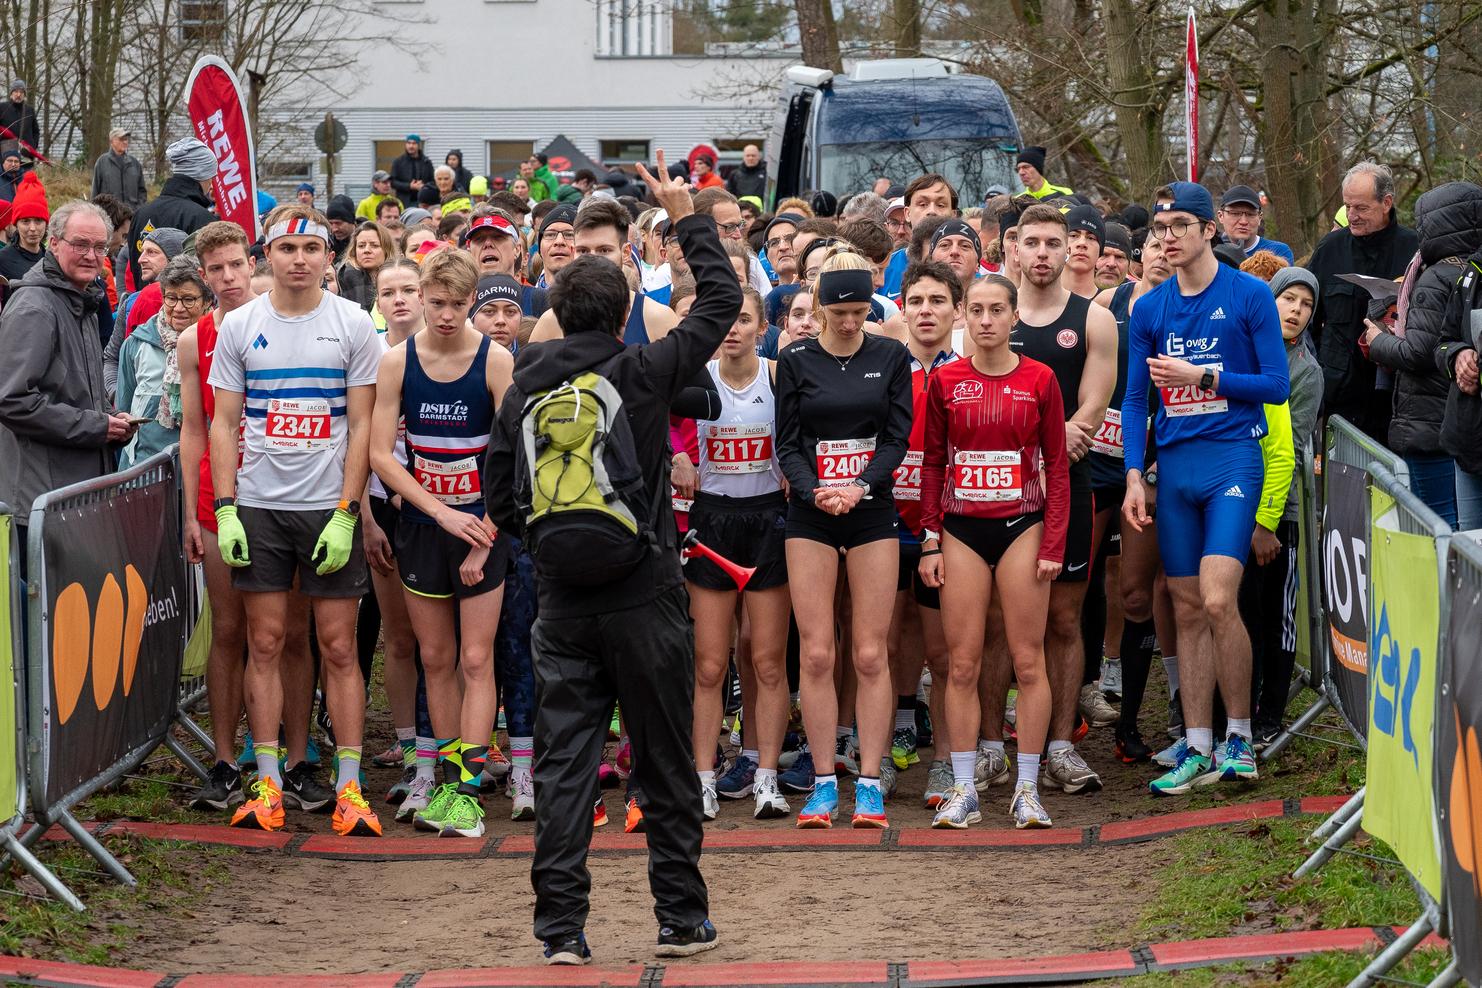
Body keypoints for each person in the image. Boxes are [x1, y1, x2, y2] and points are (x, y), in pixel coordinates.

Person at [482, 153, 736, 964]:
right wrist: (686, 215)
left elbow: (497, 493)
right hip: (646, 589)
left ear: (551, 310)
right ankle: (680, 920)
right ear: (626, 310)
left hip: (559, 601)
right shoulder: (642, 367)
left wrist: (545, 549)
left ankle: (560, 930)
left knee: (564, 767)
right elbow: (724, 301)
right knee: (662, 760)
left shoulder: (522, 385)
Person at [208, 205, 385, 837]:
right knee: (265, 641)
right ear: (267, 255)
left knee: (337, 645)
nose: (300, 258)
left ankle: (350, 786)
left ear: (328, 256)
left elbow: (364, 424)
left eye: (311, 247)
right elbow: (225, 422)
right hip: (258, 505)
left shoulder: (354, 324)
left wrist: (347, 512)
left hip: (325, 507)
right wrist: (226, 507)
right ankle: (267, 783)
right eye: (287, 247)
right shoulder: (240, 326)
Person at [1122, 181, 1290, 795]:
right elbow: (1136, 397)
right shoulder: (1149, 308)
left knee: (1220, 599)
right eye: (1160, 230)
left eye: (1180, 228)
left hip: (1232, 461)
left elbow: (1275, 385)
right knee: (1186, 607)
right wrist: (1135, 476)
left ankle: (1239, 739)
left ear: (1208, 230)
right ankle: (1197, 745)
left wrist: (1203, 375)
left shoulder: (1249, 294)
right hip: (1175, 468)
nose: (1167, 239)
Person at [180, 220, 324, 813]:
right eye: (215, 269)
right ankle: (223, 759)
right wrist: (193, 511)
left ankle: (296, 760)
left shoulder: (281, 322)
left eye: (236, 264)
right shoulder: (197, 338)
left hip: (284, 498)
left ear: (253, 263)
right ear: (204, 275)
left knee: (291, 631)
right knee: (231, 632)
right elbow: (194, 429)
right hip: (221, 503)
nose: (228, 278)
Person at [370, 248, 514, 838]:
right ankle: (441, 774)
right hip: (428, 529)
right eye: (438, 304)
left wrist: (482, 535)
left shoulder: (496, 359)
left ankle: (466, 794)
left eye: (459, 305)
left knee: (477, 660)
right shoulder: (398, 362)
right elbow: (381, 453)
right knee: (436, 659)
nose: (448, 315)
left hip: (484, 528)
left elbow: (512, 461)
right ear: (422, 299)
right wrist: (436, 512)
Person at [919, 273, 1069, 829]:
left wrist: (1053, 542)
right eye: (976, 310)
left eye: (996, 311)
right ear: (964, 315)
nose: (985, 320)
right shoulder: (947, 381)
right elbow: (934, 462)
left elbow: (1057, 464)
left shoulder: (1041, 379)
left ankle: (1027, 789)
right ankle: (964, 789)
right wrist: (929, 540)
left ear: (1013, 318)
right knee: (961, 663)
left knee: (1028, 660)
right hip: (960, 529)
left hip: (1022, 525)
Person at [776, 248, 913, 829]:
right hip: (812, 513)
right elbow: (786, 443)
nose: (852, 322)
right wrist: (815, 492)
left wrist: (858, 486)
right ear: (823, 309)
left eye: (861, 311)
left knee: (868, 651)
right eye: (841, 313)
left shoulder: (891, 354)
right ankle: (825, 782)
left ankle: (872, 782)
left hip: (870, 509)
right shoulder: (797, 359)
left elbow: (896, 438)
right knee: (816, 650)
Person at [1006, 204, 1118, 794]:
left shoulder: (1094, 321)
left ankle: (1059, 744)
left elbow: (1090, 415)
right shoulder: (992, 311)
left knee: (1064, 619)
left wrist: (1045, 441)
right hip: (997, 485)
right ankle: (989, 746)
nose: (1044, 253)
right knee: (1003, 619)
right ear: (1015, 248)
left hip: (1064, 485)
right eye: (1034, 243)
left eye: (1055, 242)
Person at [686, 288, 792, 821]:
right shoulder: (696, 377)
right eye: (724, 320)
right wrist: (675, 460)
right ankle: (703, 778)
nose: (732, 329)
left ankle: (766, 778)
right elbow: (657, 431)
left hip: (769, 519)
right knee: (709, 664)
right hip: (711, 521)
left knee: (768, 660)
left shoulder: (778, 375)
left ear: (761, 326)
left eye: (744, 319)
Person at [0, 201, 131, 534]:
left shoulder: (80, 300)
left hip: (72, 495)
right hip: (40, 501)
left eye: (99, 247)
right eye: (80, 244)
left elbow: (72, 390)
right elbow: (12, 400)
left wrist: (111, 417)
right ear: (54, 243)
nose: (91, 255)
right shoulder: (35, 307)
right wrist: (96, 426)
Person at [1363, 181, 1482, 529]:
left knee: (1438, 529)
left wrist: (1377, 340)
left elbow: (1419, 351)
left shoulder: (1436, 277)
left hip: (1429, 422)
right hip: (1456, 417)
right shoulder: (1467, 272)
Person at [888, 261, 960, 802]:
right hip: (890, 523)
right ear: (902, 309)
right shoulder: (886, 368)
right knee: (892, 642)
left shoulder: (969, 373)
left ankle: (945, 762)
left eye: (938, 301)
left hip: (950, 529)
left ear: (955, 311)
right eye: (917, 301)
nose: (927, 311)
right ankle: (893, 739)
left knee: (943, 649)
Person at [1246, 265, 1323, 747]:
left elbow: (1292, 449)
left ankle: (1270, 714)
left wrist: (1269, 522)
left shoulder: (1306, 372)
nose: (1295, 310)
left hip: (1280, 514)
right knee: (1242, 613)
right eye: (1288, 299)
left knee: (1277, 617)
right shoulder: (1243, 350)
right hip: (1230, 501)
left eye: (1306, 304)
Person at [1306, 161, 1418, 442]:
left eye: (1361, 208)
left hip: (1396, 397)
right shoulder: (1330, 249)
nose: (1351, 215)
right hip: (1340, 395)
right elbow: (1308, 318)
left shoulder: (1415, 250)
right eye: (1348, 207)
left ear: (1386, 203)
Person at [527, 199, 679, 344]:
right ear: (574, 252)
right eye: (584, 251)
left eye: (604, 250)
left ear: (626, 252)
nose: (593, 259)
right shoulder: (552, 322)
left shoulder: (657, 319)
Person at [115, 254, 207, 468]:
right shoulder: (137, 344)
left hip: (200, 470)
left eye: (189, 299)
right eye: (171, 298)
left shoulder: (219, 342)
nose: (178, 308)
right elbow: (123, 410)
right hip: (143, 471)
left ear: (207, 301)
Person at [128, 138, 217, 288]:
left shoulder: (141, 213)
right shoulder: (202, 219)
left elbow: (134, 270)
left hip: (142, 305)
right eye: (211, 177)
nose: (212, 184)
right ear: (202, 176)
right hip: (184, 307)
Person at [1217, 186, 1294, 264]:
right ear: (1221, 216)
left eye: (1250, 214)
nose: (1243, 221)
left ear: (1260, 218)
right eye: (1235, 214)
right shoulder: (1210, 252)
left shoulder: (1278, 252)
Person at [0, 171, 48, 281]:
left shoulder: (53, 259)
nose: (32, 228)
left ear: (46, 223)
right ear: (16, 224)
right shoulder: (3, 260)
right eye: (25, 221)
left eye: (38, 221)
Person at [337, 221, 393, 311]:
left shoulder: (396, 275)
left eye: (374, 245)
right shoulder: (349, 274)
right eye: (361, 246)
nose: (366, 250)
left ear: (386, 250)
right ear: (354, 250)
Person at [91, 128, 147, 209]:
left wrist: (138, 210)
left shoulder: (135, 163)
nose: (125, 142)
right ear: (112, 141)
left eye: (126, 139)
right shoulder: (102, 162)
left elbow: (142, 192)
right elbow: (95, 192)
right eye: (121, 139)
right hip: (109, 216)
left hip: (132, 216)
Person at [0, 80, 39, 166]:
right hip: (6, 156)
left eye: (21, 92)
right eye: (16, 91)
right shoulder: (2, 108)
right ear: (11, 94)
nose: (18, 95)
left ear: (24, 94)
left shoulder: (29, 110)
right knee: (7, 179)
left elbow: (36, 131)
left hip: (26, 156)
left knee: (26, 179)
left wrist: (33, 146)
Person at [391, 135, 435, 205]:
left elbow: (433, 181)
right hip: (404, 202)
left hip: (423, 202)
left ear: (418, 145)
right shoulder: (398, 162)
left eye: (414, 143)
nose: (411, 146)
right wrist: (409, 186)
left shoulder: (426, 162)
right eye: (409, 143)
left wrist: (423, 186)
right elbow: (393, 182)